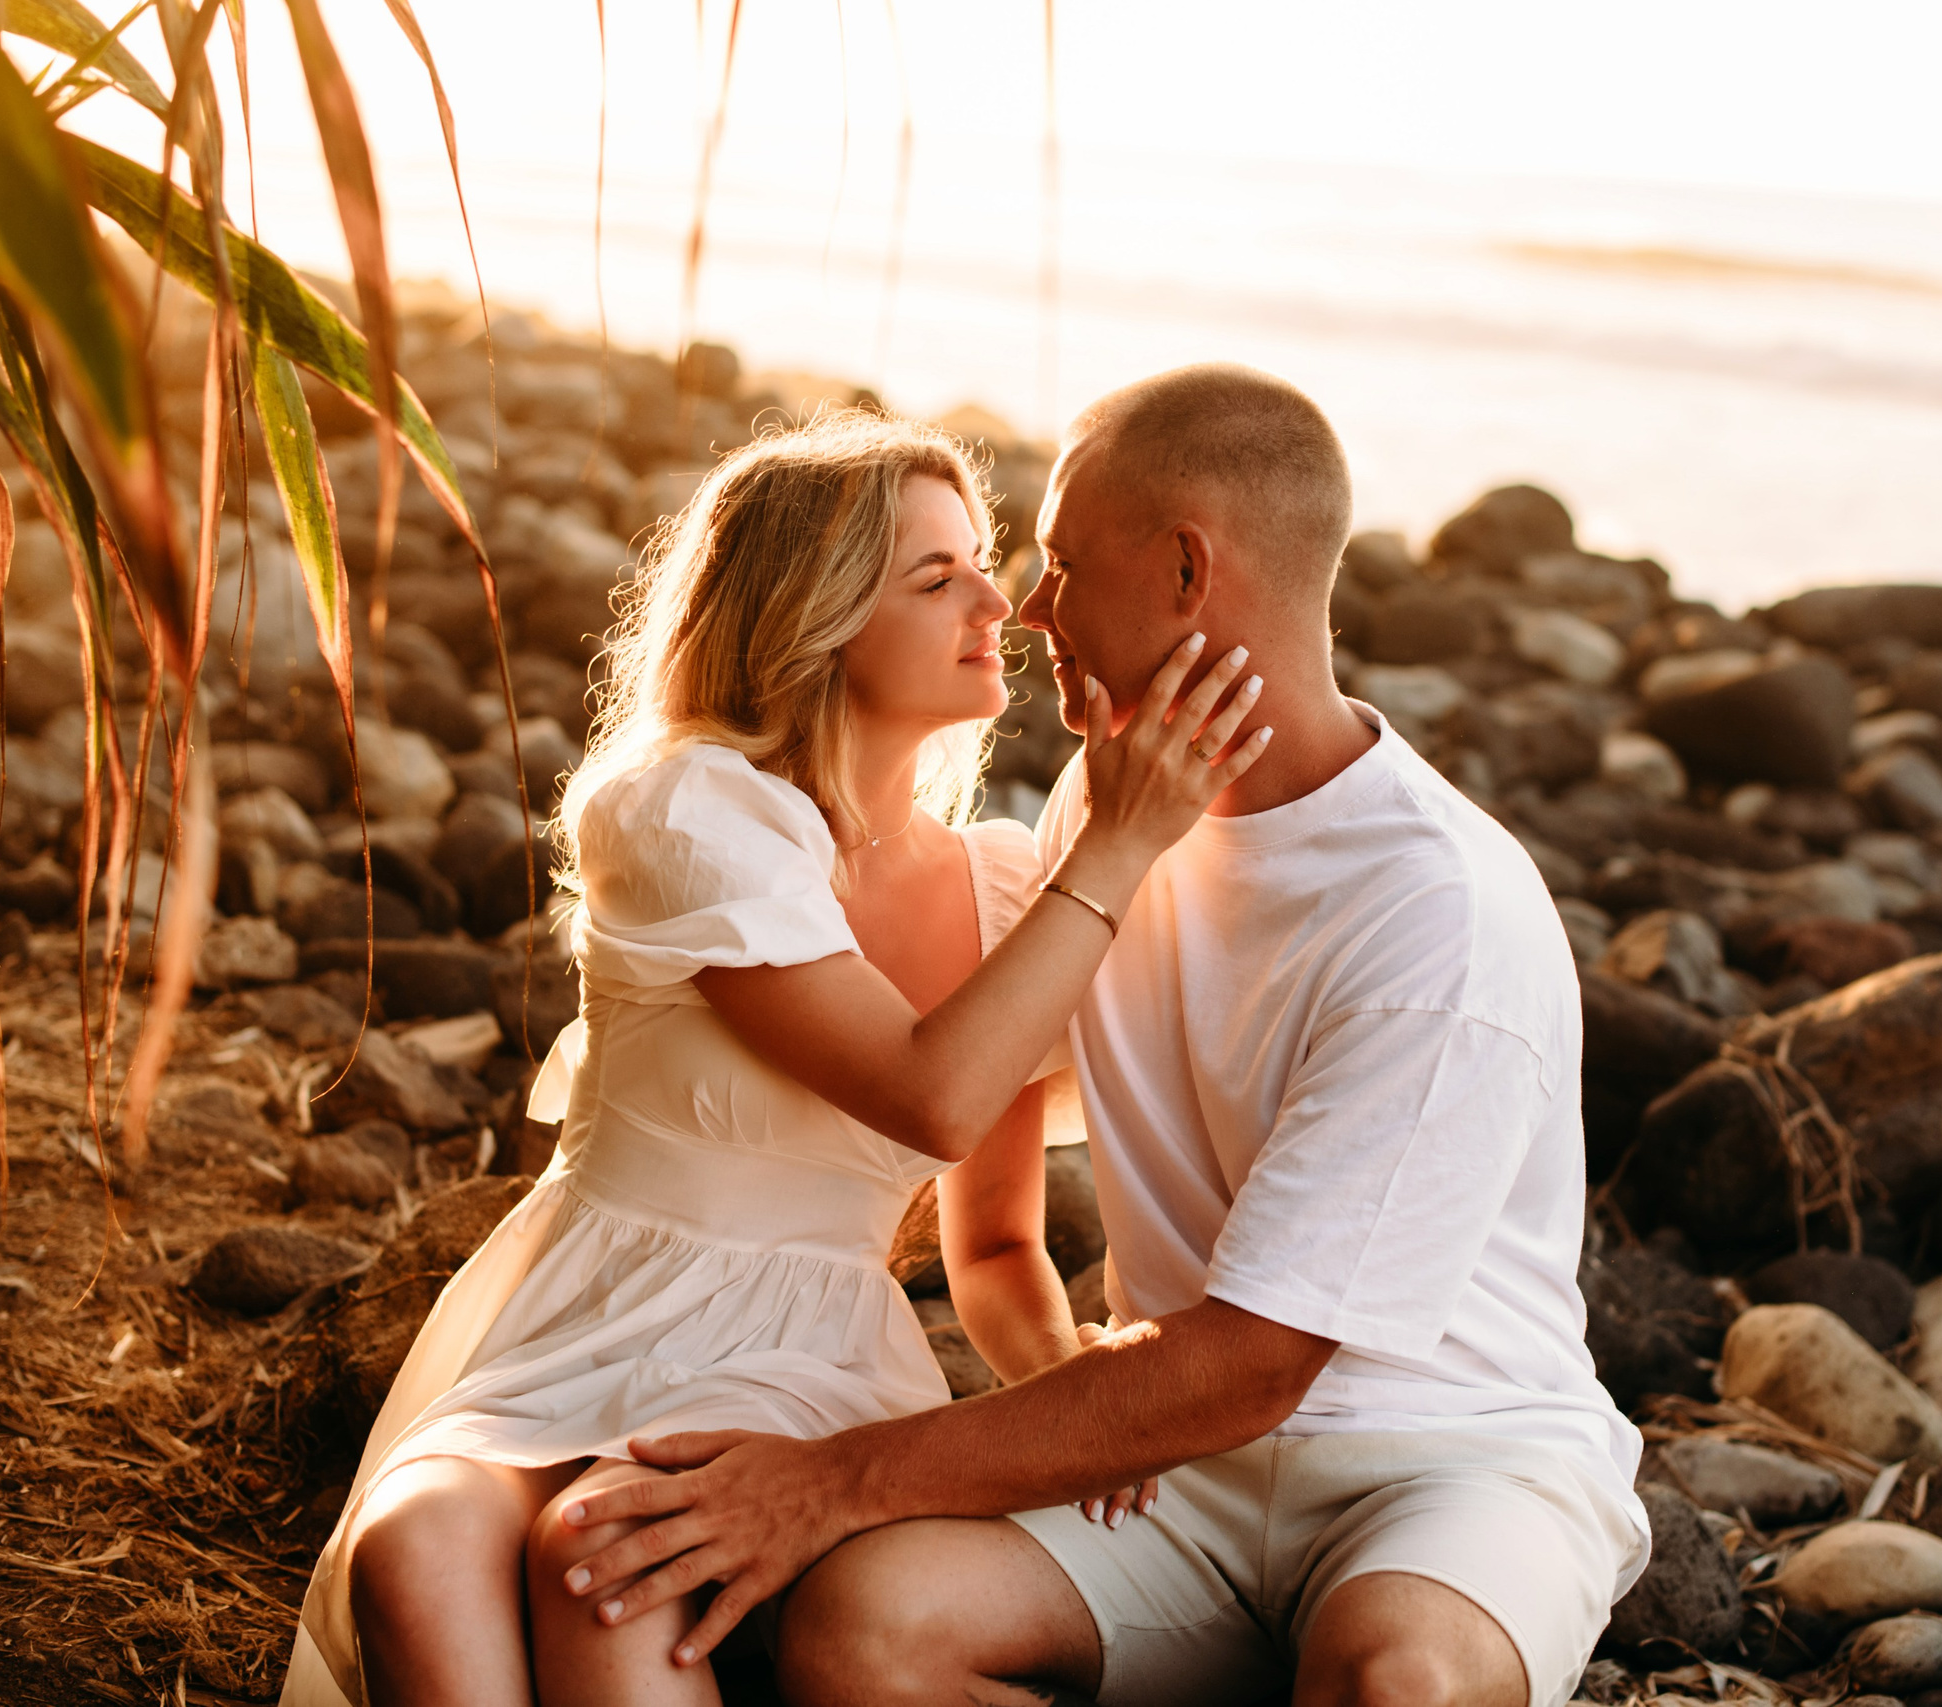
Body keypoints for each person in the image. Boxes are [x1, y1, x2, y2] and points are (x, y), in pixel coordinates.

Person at [543, 365, 1653, 1707]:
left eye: (1063, 563)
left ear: (1188, 570)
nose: (1029, 610)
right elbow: (979, 1102)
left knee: (1394, 1681)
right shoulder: (1104, 809)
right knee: (864, 1631)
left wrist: (827, 1480)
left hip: (1444, 1465)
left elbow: (1251, 1363)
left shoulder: (1434, 914)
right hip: (1174, 1474)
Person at [278, 408, 1271, 1707]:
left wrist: (1067, 1392)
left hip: (808, 1345)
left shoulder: (1010, 886)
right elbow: (929, 1092)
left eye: (986, 560)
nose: (1007, 602)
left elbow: (990, 1247)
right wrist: (1123, 845)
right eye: (940, 577)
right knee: (414, 1551)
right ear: (819, 617)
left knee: (612, 1578)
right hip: (588, 1305)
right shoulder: (687, 808)